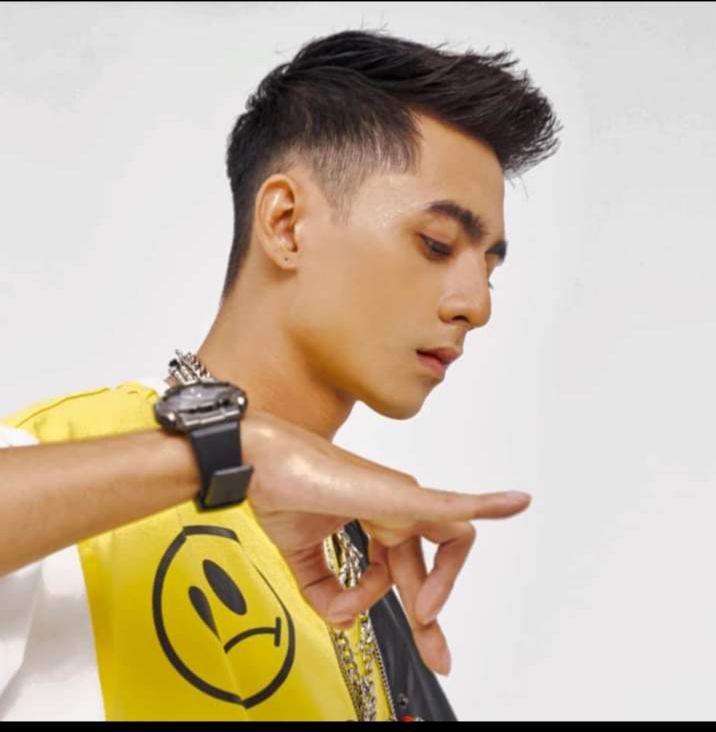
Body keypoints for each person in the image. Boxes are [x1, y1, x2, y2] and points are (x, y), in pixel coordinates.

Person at [0, 28, 561, 721]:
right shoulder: (68, 456)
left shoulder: (368, 582)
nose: (476, 305)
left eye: (489, 270)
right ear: (287, 224)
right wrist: (238, 451)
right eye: (437, 244)